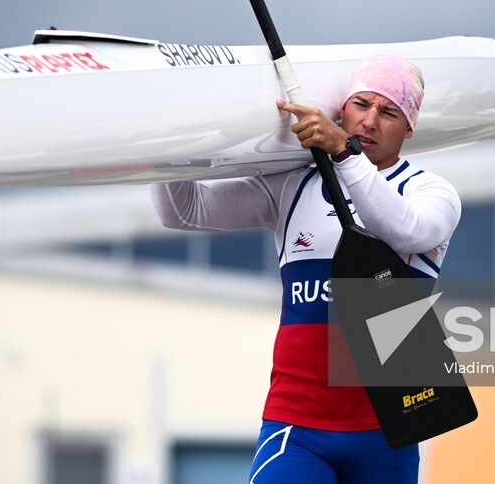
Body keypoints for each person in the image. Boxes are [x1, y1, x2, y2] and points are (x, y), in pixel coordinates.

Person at [150, 54, 461, 484]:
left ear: (408, 128)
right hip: (297, 427)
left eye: (387, 112)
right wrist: (160, 143)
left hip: (388, 432)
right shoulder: (294, 185)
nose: (369, 121)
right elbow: (185, 211)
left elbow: (407, 231)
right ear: (342, 109)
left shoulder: (430, 192)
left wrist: (343, 153)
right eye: (362, 104)